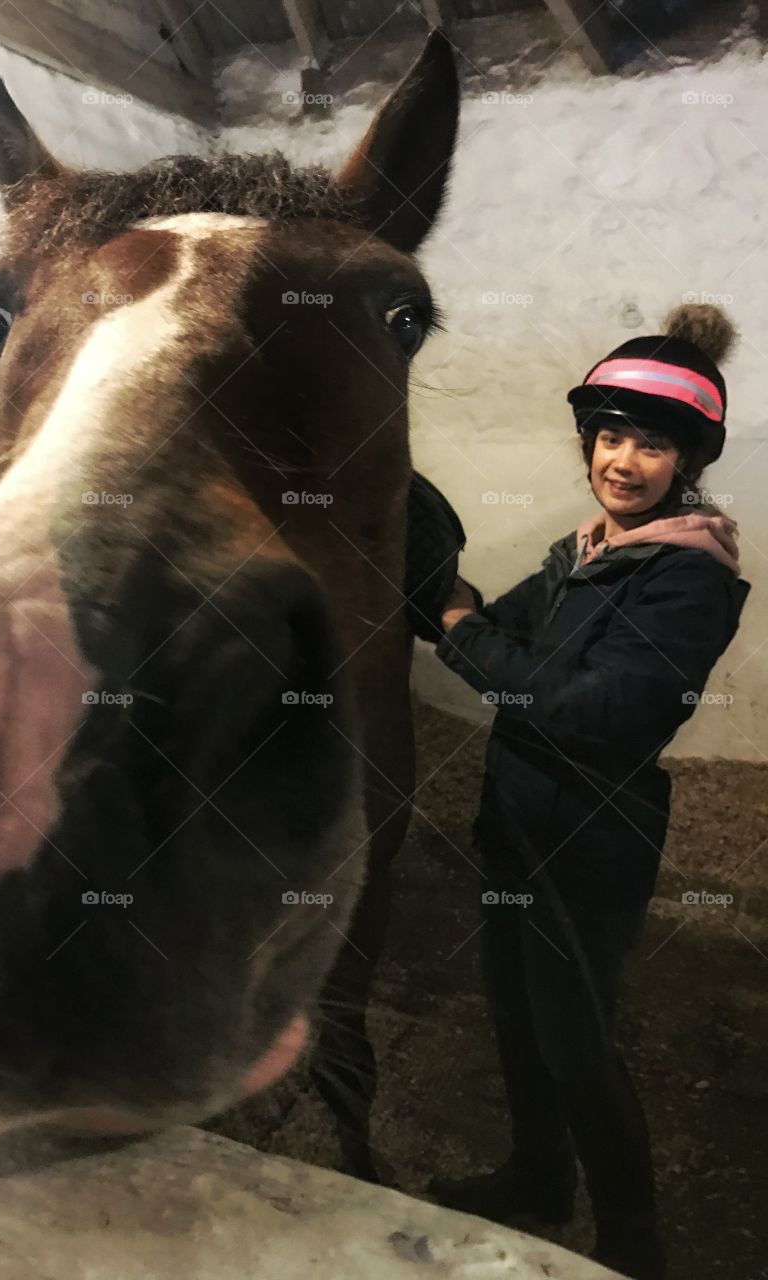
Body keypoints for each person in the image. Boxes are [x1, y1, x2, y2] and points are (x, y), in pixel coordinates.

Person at [425, 303, 751, 1280]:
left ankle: (632, 1240)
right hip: (518, 819)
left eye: (652, 444)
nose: (622, 459)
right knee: (519, 1018)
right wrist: (417, 570)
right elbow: (492, 625)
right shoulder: (588, 551)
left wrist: (462, 630)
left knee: (577, 1037)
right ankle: (536, 1178)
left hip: (588, 837)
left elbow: (591, 709)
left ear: (685, 460)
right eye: (610, 435)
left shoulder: (688, 577)